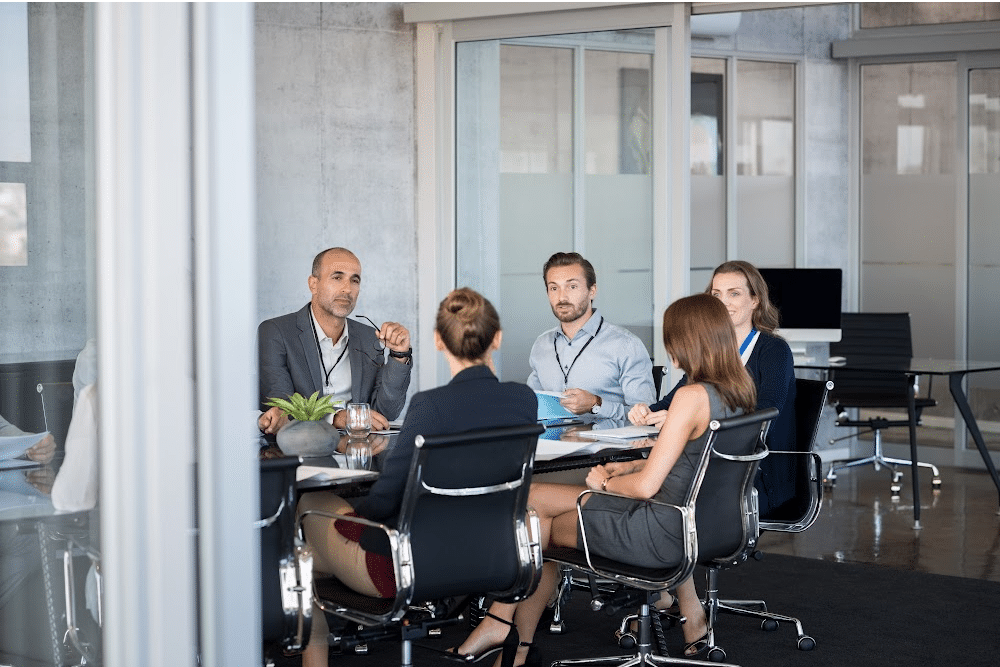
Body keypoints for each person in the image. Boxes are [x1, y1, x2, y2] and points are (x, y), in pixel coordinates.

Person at [455, 293, 757, 666]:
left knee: (534, 523)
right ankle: (507, 636)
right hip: (701, 526)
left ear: (689, 340)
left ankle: (506, 634)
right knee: (530, 504)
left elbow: (647, 488)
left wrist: (606, 483)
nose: (669, 350)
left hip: (657, 529)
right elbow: (690, 464)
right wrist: (627, 468)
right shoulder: (740, 392)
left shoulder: (691, 396)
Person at [296, 287, 537, 667]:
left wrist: (355, 517)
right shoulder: (524, 399)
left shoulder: (429, 407)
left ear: (439, 342)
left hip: (412, 569)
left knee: (308, 517)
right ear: (498, 338)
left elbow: (383, 504)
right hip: (494, 560)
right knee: (320, 553)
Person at [628, 260, 796, 515]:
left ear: (755, 300)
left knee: (642, 494)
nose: (723, 302)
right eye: (716, 294)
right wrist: (644, 412)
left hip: (756, 473)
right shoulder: (710, 354)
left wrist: (683, 423)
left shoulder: (773, 350)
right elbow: (669, 404)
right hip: (708, 467)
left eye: (734, 293)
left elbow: (765, 416)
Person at [258, 247, 412, 435]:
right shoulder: (275, 332)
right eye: (337, 277)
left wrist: (399, 356)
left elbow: (386, 413)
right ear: (313, 284)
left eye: (354, 280)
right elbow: (281, 411)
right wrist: (335, 418)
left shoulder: (368, 336)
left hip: (359, 452)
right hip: (299, 451)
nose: (347, 289)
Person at [527, 252, 655, 423]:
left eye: (572, 287)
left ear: (592, 291)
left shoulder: (625, 345)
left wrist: (597, 404)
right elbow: (528, 408)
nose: (562, 297)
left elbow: (647, 417)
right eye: (554, 288)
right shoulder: (541, 345)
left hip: (609, 449)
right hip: (551, 445)